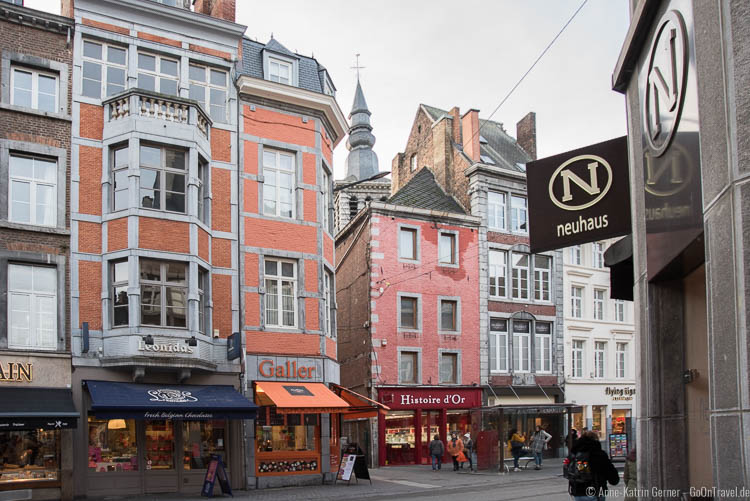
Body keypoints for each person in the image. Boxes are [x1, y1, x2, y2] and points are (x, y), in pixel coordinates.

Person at [567, 430, 619, 501]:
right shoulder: (599, 454)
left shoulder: (575, 453)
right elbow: (612, 476)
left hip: (577, 493)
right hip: (595, 491)